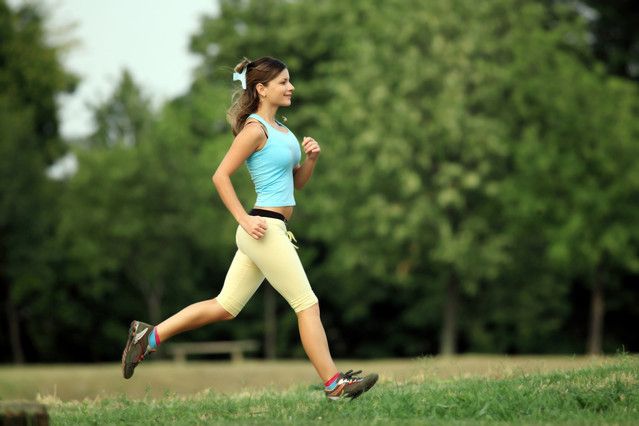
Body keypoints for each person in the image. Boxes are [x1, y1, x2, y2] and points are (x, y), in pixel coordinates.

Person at [121, 56, 378, 400]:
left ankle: (147, 338)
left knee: (225, 307)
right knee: (307, 304)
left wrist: (312, 159)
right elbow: (220, 175)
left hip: (273, 228)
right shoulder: (254, 129)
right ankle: (334, 385)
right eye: (283, 82)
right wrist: (243, 218)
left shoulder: (283, 131)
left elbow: (296, 185)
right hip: (263, 227)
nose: (291, 87)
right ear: (261, 89)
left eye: (290, 81)